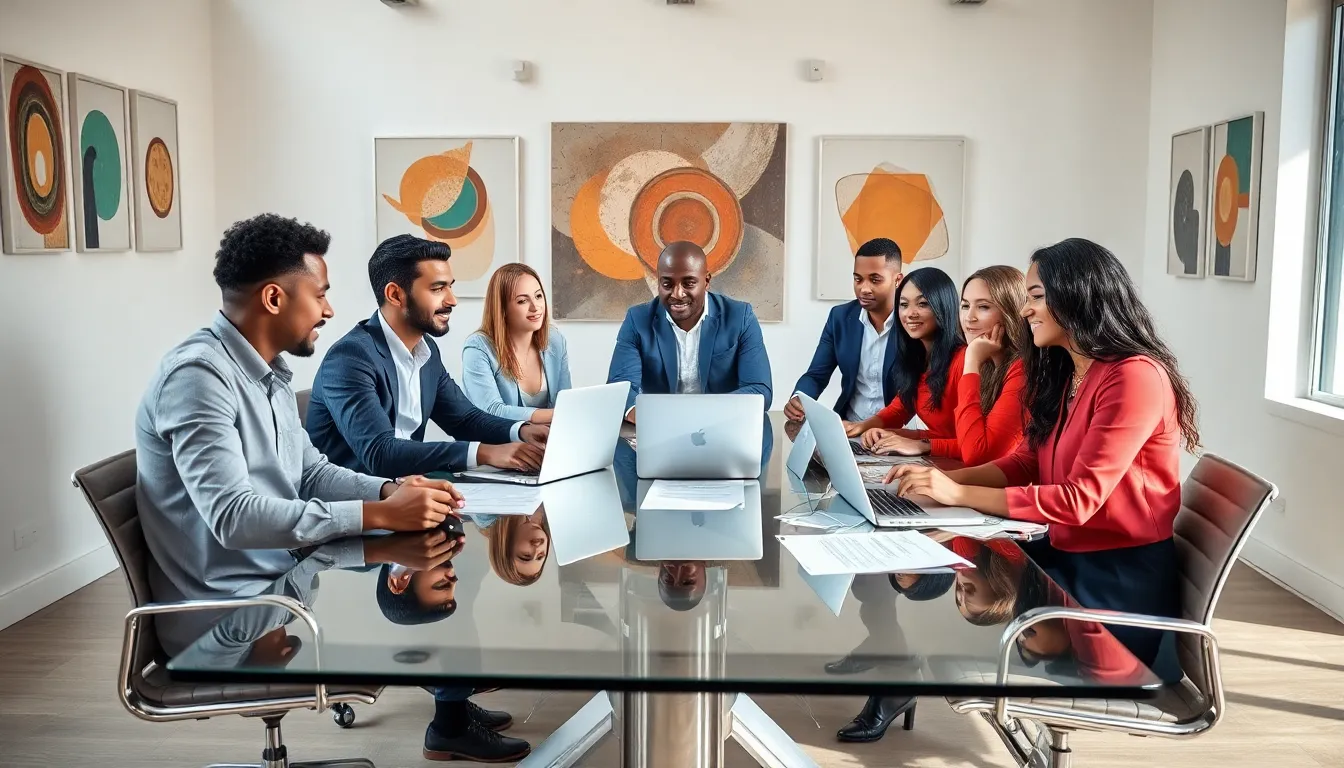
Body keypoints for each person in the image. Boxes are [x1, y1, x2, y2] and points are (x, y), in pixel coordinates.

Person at [135, 214, 527, 761]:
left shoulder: (267, 373)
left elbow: (313, 474)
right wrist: (378, 515)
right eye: (319, 294)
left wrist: (390, 493)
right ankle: (452, 710)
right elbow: (234, 518)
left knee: (437, 559)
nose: (330, 310)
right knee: (423, 585)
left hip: (286, 580)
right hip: (228, 621)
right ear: (274, 298)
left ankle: (454, 703)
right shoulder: (198, 378)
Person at [889, 238, 1199, 683]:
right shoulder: (1070, 371)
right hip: (1064, 562)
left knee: (936, 652)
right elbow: (1026, 462)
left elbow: (1078, 500)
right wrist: (937, 484)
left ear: (1076, 296)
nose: (1025, 310)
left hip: (1112, 592)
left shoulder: (1133, 377)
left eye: (1036, 296)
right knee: (927, 629)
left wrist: (957, 492)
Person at [306, 235, 548, 478]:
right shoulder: (349, 358)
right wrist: (485, 453)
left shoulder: (427, 350)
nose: (452, 300)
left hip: (410, 488)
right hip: (358, 497)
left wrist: (523, 431)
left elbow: (463, 419)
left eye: (450, 286)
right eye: (437, 289)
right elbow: (380, 453)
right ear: (395, 295)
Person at [862, 266, 1029, 464]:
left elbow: (977, 451)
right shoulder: (985, 363)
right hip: (970, 472)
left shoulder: (1015, 369)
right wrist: (890, 433)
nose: (969, 317)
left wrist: (923, 445)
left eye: (983, 307)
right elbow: (910, 410)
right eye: (965, 306)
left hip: (989, 477)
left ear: (1011, 311)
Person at [607, 241, 773, 422]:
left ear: (706, 281)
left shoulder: (740, 317)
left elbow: (759, 390)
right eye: (667, 284)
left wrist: (699, 414)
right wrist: (636, 411)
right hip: (659, 425)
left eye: (689, 283)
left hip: (720, 426)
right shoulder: (637, 320)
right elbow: (620, 388)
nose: (677, 293)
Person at [785, 237, 903, 423]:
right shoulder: (840, 318)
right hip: (848, 426)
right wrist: (799, 398)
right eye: (858, 279)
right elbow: (816, 375)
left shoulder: (913, 322)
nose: (864, 288)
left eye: (875, 280)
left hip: (898, 430)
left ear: (898, 280)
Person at [848, 267, 965, 446]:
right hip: (937, 455)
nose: (910, 314)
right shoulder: (918, 357)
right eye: (903, 304)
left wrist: (919, 444)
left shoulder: (963, 360)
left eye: (922, 304)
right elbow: (901, 407)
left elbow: (972, 445)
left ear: (943, 306)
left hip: (957, 460)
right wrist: (862, 427)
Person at [461, 263, 572, 423]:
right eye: (522, 301)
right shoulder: (478, 348)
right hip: (500, 438)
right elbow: (491, 410)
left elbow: (565, 400)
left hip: (550, 437)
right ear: (502, 309)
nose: (535, 307)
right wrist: (559, 414)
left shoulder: (555, 340)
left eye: (538, 296)